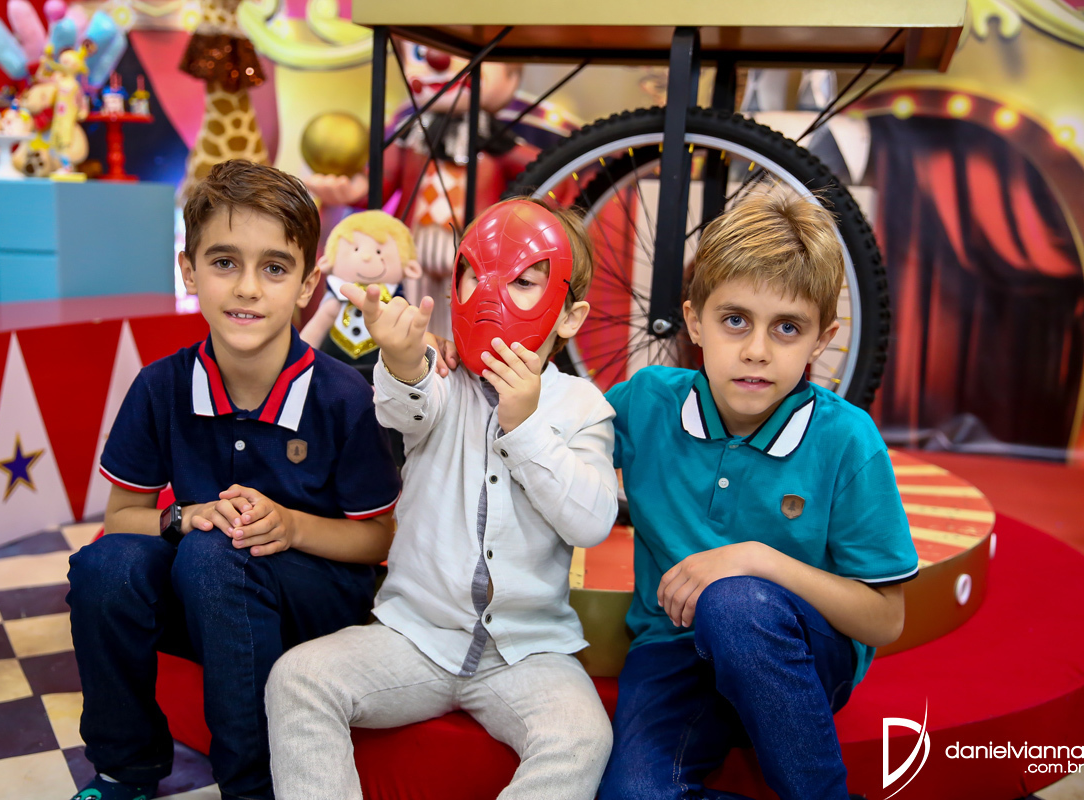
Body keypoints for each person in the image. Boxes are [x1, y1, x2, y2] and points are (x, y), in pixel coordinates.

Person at [65, 159, 402, 800]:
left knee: (216, 553)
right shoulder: (160, 386)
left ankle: (251, 786)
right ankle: (123, 770)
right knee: (105, 566)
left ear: (307, 284)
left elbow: (376, 539)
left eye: (274, 268)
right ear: (189, 271)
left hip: (316, 604)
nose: (248, 288)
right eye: (224, 262)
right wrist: (183, 516)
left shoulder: (342, 396)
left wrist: (291, 526)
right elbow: (121, 518)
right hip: (204, 592)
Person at [264, 198, 618, 799]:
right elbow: (404, 409)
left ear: (569, 316)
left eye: (523, 281)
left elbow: (590, 521)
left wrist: (527, 425)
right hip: (414, 638)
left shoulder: (584, 407)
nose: (490, 295)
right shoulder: (445, 376)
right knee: (297, 678)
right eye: (475, 275)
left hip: (529, 653)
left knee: (582, 736)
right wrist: (403, 360)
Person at [597, 191, 919, 800]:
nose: (757, 351)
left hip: (798, 655)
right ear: (695, 321)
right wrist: (456, 369)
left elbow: (885, 618)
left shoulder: (846, 438)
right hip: (674, 649)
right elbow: (549, 434)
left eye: (787, 328)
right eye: (735, 320)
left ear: (822, 339)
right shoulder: (646, 401)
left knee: (735, 602)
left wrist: (754, 560)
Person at [299, 209, 423, 382]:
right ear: (328, 261)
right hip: (332, 372)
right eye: (356, 249)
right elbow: (315, 330)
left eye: (379, 252)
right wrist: (299, 359)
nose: (366, 257)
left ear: (410, 267)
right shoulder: (336, 301)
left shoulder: (396, 304)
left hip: (382, 377)